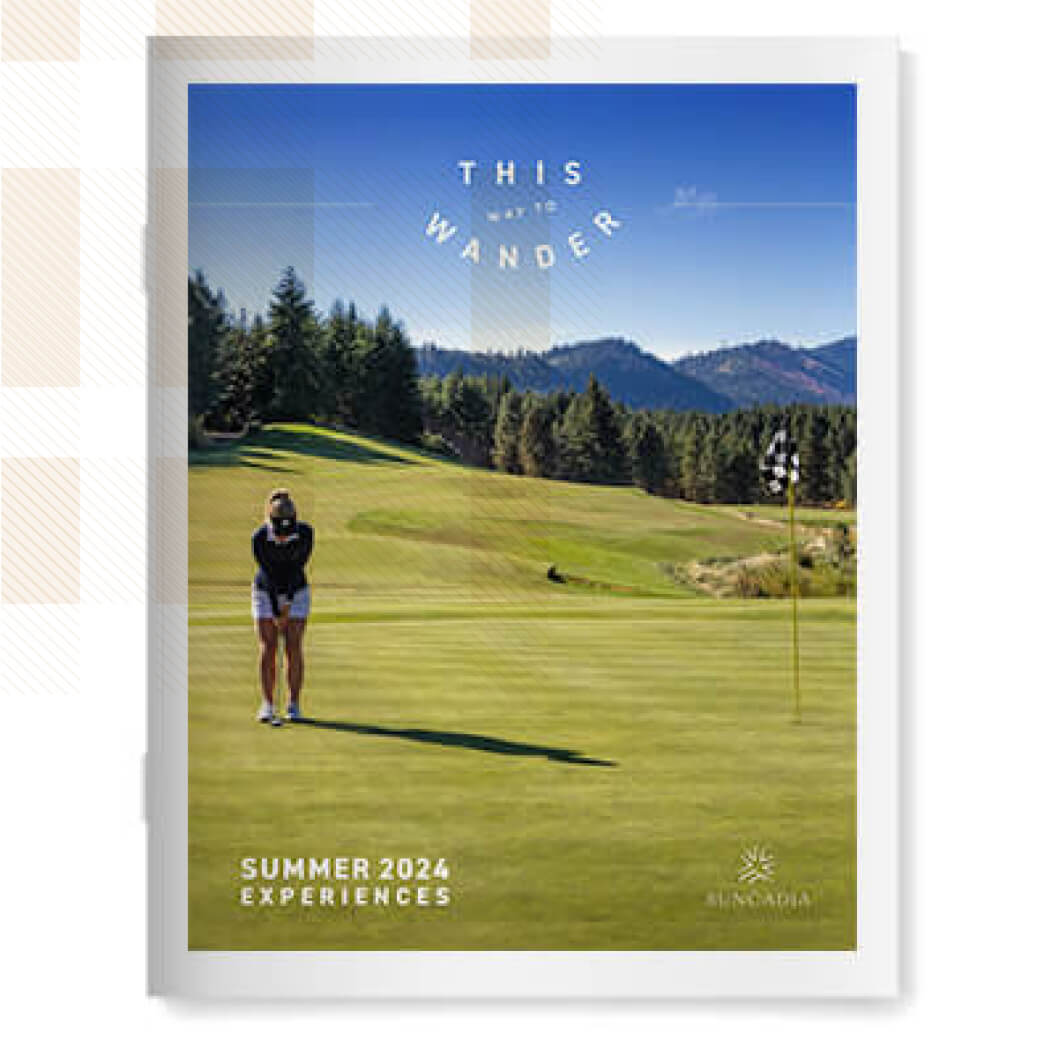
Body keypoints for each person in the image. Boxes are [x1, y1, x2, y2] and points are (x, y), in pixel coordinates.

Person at [251, 489, 314, 724]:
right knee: (268, 646)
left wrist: (286, 604)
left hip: (297, 591)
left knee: (293, 645)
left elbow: (296, 568)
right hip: (265, 591)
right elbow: (268, 573)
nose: (282, 538)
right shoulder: (258, 538)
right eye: (279, 532)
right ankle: (267, 704)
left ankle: (293, 705)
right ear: (270, 520)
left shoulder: (306, 534)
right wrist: (276, 608)